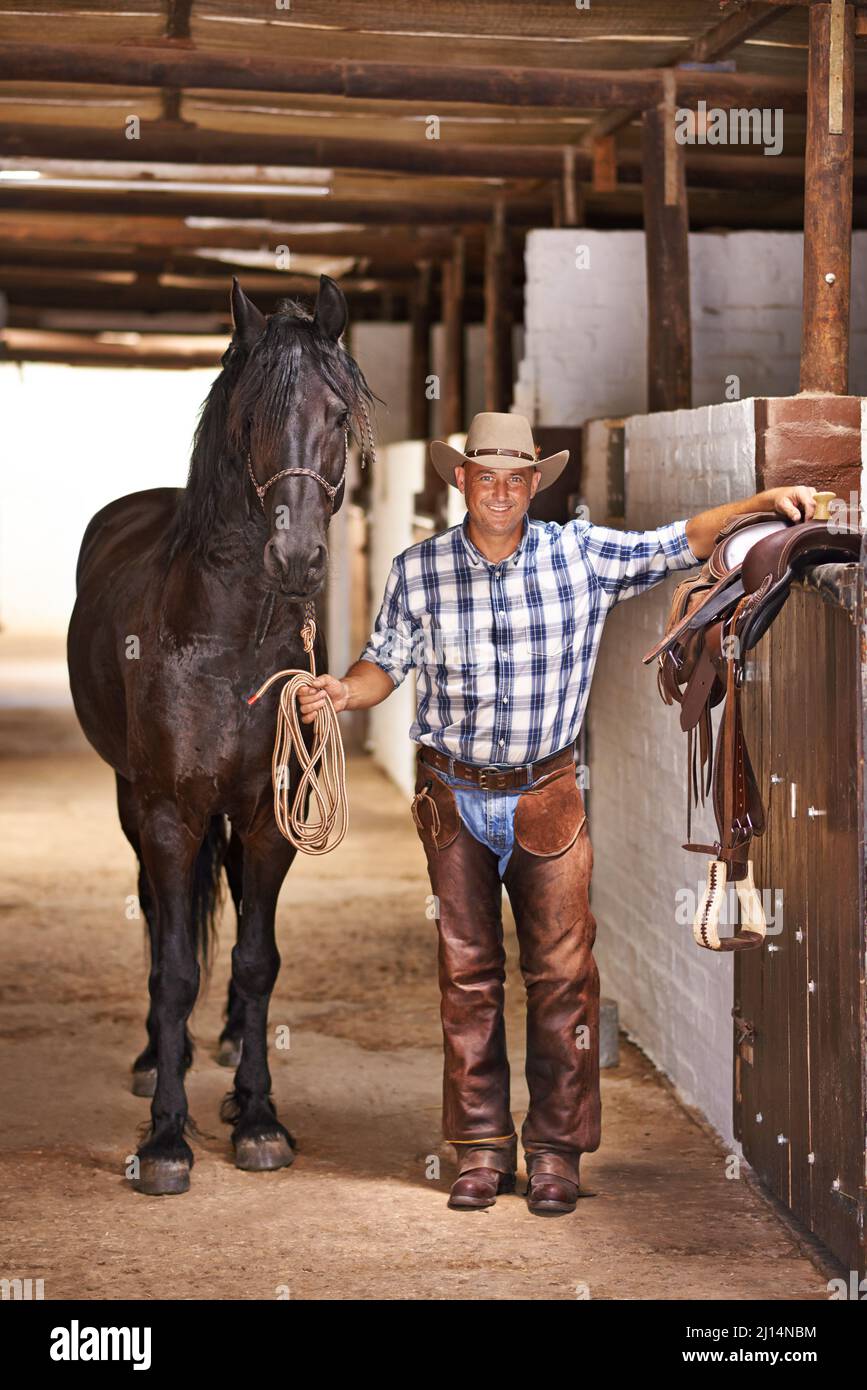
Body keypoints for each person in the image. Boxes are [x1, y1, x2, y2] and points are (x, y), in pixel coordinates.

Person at [298, 411, 818, 1216]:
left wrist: (762, 499)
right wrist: (340, 691)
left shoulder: (580, 554)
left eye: (516, 477)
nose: (500, 490)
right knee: (465, 976)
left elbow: (680, 539)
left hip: (548, 795)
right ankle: (477, 1149)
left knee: (563, 979)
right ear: (460, 481)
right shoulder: (418, 570)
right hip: (451, 797)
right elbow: (382, 666)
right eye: (484, 476)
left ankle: (552, 1151)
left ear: (534, 484)